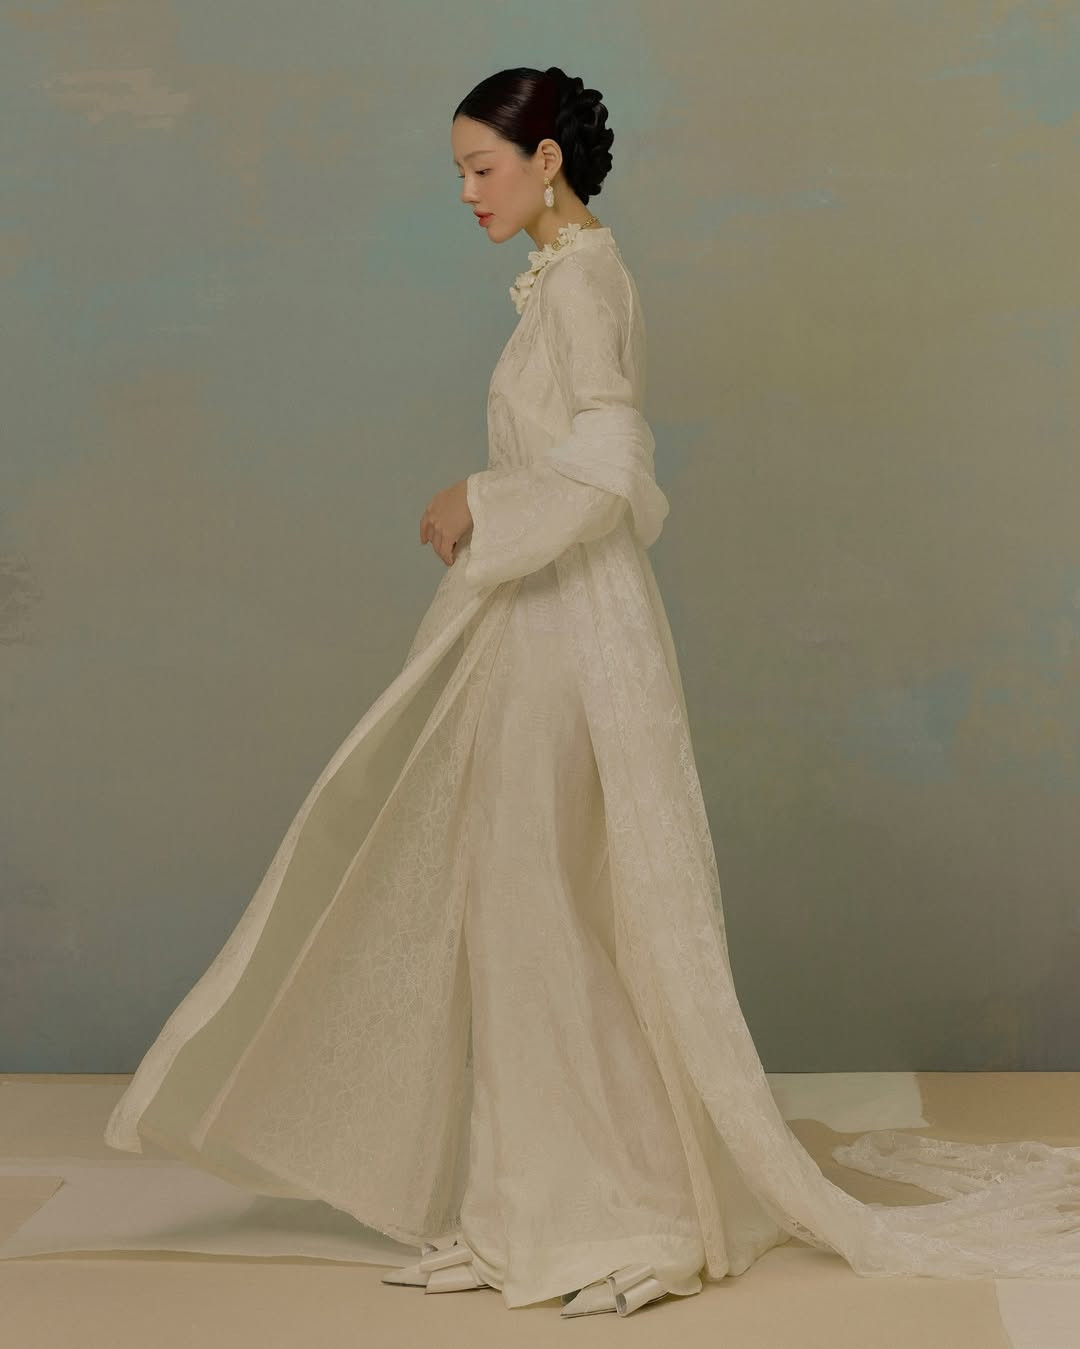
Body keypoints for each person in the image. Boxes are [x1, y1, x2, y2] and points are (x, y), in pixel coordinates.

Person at [105, 66, 1080, 1319]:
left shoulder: (585, 281)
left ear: (548, 159)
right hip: (537, 619)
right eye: (459, 172)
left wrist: (479, 496)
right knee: (510, 905)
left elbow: (613, 464)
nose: (467, 193)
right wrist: (494, 504)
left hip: (574, 630)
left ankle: (642, 1212)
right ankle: (520, 1210)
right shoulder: (564, 276)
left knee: (548, 907)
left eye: (482, 168)